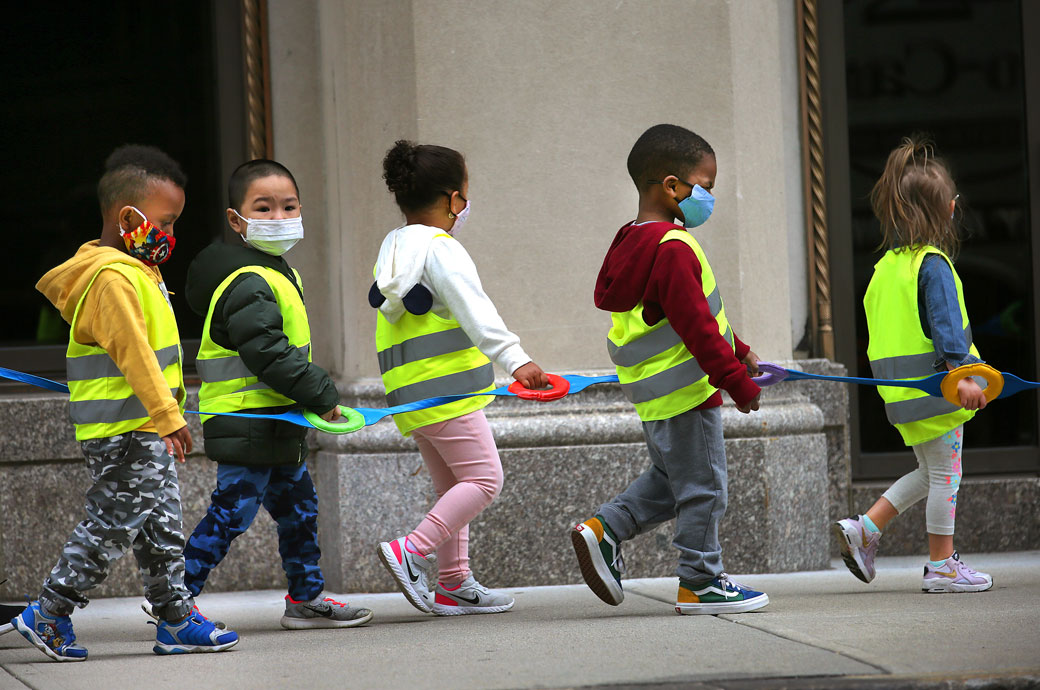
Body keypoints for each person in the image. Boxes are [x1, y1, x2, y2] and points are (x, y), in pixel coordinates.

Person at [22, 145, 239, 661]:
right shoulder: (114, 278)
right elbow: (135, 354)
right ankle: (48, 614)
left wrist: (164, 417)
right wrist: (167, 416)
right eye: (166, 221)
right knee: (111, 525)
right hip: (128, 430)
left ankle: (176, 619)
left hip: (142, 428)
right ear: (128, 217)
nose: (171, 234)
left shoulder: (139, 272)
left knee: (161, 529)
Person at [570, 124, 769, 615]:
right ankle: (700, 579)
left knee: (671, 479)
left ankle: (604, 530)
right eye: (706, 185)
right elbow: (696, 326)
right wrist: (737, 383)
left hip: (656, 396)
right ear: (672, 186)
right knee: (705, 486)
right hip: (687, 393)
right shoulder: (675, 248)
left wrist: (739, 348)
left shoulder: (633, 240)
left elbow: (688, 315)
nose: (709, 197)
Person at [172, 160, 372, 629]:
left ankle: (306, 599)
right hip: (247, 420)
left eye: (289, 206)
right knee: (232, 513)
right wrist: (323, 394)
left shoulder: (274, 270)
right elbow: (268, 351)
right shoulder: (249, 280)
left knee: (299, 511)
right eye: (264, 208)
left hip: (277, 419)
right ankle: (175, 597)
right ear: (236, 219)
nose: (280, 217)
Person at [372, 140, 548, 615]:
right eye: (465, 195)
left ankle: (454, 582)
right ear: (453, 199)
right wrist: (518, 361)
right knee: (486, 479)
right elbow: (477, 311)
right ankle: (412, 550)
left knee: (454, 486)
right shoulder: (441, 249)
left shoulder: (394, 248)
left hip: (412, 395)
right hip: (449, 391)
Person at [833, 136, 992, 593]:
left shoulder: (885, 268)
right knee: (947, 475)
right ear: (946, 210)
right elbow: (945, 330)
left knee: (930, 472)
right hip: (940, 391)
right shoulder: (934, 265)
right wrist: (961, 377)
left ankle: (866, 528)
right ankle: (943, 566)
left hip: (903, 397)